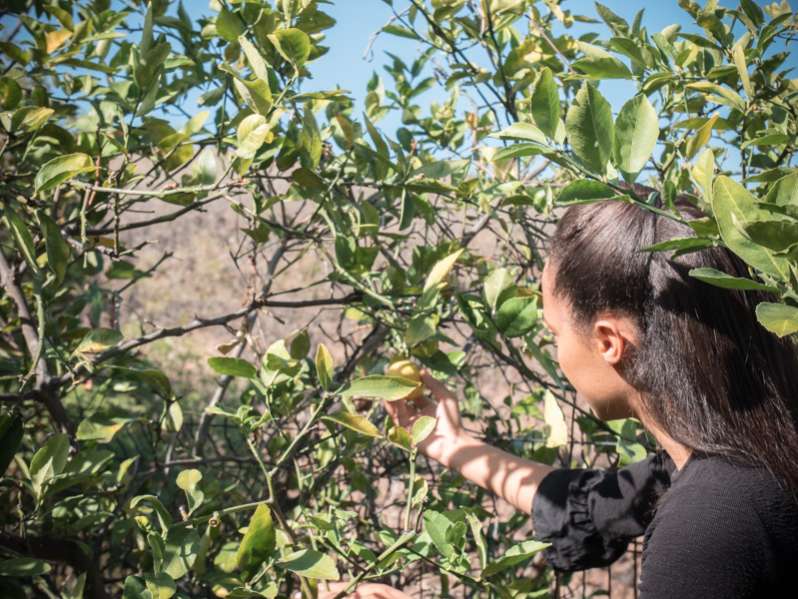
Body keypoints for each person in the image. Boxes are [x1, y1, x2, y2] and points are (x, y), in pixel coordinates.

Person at [320, 198, 798, 599]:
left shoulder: (709, 531)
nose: (556, 349)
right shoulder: (748, 440)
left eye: (555, 330)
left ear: (609, 341)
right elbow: (599, 503)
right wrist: (450, 442)